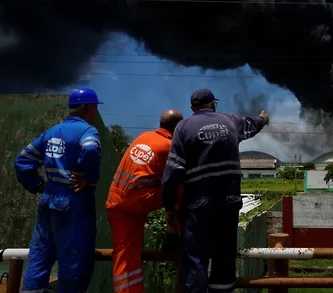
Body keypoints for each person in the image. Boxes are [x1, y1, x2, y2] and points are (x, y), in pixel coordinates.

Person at [161, 88, 270, 293]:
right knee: (224, 255)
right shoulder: (230, 121)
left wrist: (168, 206)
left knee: (195, 257)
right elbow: (252, 124)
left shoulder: (183, 127)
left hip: (197, 204)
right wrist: (263, 118)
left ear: (193, 107)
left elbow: (174, 170)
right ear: (213, 103)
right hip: (228, 201)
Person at [14, 87, 104, 293]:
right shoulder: (87, 132)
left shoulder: (52, 132)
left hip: (48, 198)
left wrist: (38, 185)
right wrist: (89, 179)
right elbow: (90, 148)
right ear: (90, 107)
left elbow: (22, 160)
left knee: (39, 258)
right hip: (73, 201)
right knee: (74, 262)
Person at [106, 109, 184, 293]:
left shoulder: (144, 136)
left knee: (125, 254)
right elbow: (174, 183)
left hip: (116, 201)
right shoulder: (169, 146)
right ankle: (175, 233)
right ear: (178, 127)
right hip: (136, 201)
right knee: (182, 186)